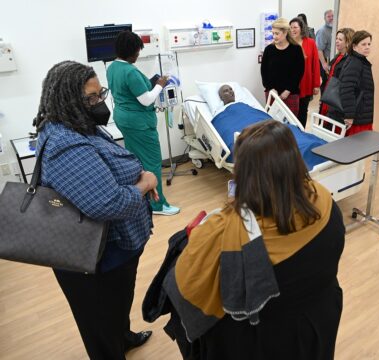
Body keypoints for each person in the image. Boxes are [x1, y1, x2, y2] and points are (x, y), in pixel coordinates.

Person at [171, 119, 345, 359]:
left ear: (245, 175)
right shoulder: (325, 205)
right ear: (294, 161)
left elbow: (187, 283)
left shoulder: (222, 235)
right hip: (317, 324)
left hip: (260, 341)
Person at [33, 61, 156, 359]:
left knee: (116, 306)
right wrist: (144, 182)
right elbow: (108, 202)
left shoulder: (80, 126)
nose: (99, 102)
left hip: (115, 251)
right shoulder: (66, 145)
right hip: (94, 258)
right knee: (100, 320)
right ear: (68, 100)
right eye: (90, 99)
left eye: (100, 93)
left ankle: (122, 337)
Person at [107, 30, 180, 216]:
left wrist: (151, 82)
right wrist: (160, 85)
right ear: (130, 51)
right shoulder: (130, 71)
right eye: (137, 51)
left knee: (136, 160)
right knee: (152, 161)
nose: (138, 55)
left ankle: (141, 197)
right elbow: (146, 100)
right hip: (139, 123)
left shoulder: (113, 67)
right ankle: (158, 205)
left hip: (124, 119)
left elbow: (130, 91)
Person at [327, 30, 374, 136]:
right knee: (355, 149)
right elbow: (346, 89)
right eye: (363, 44)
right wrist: (349, 115)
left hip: (361, 114)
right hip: (356, 117)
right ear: (354, 46)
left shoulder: (360, 61)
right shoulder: (355, 63)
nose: (367, 47)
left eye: (369, 44)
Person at [261, 18, 305, 117]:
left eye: (277, 33)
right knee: (273, 126)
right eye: (273, 33)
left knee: (290, 126)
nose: (274, 36)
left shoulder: (296, 50)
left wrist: (288, 90)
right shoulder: (269, 50)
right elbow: (264, 72)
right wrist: (270, 88)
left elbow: (298, 72)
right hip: (272, 94)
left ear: (285, 33)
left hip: (291, 95)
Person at [290, 17, 321, 127]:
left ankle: (302, 133)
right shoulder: (288, 43)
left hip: (306, 83)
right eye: (291, 27)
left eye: (295, 27)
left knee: (303, 112)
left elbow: (315, 65)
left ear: (301, 28)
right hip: (291, 85)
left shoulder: (310, 43)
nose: (293, 30)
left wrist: (316, 84)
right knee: (291, 114)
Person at [320, 28, 355, 116]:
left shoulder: (350, 60)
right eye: (336, 38)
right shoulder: (337, 56)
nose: (336, 41)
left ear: (348, 42)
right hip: (328, 93)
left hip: (336, 99)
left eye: (340, 39)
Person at [316, 9, 334, 94]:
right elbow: (319, 49)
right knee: (326, 84)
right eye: (328, 16)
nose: (331, 18)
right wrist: (324, 64)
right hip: (326, 61)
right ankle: (323, 105)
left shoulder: (336, 28)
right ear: (325, 18)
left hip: (334, 61)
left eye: (332, 16)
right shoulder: (322, 31)